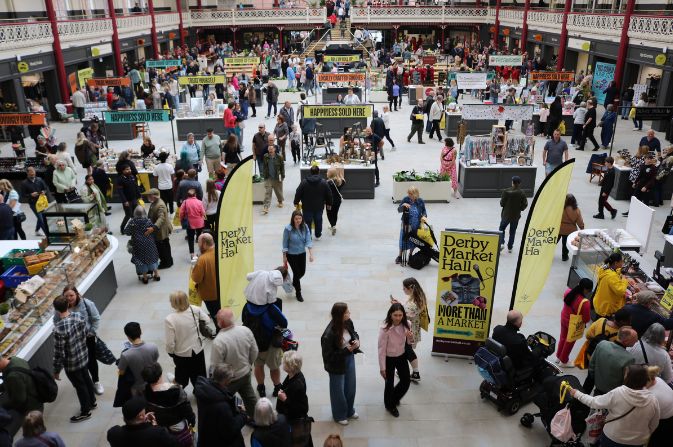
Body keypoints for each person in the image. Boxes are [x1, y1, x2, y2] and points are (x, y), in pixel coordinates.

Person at [569, 364, 660, 446]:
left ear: (629, 379)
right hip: (638, 441)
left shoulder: (618, 393)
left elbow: (594, 402)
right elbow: (654, 423)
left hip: (614, 437)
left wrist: (577, 394)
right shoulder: (653, 399)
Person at [52, 295, 96, 422]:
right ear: (68, 305)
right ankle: (92, 402)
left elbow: (59, 352)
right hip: (83, 355)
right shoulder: (79, 317)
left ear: (56, 310)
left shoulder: (58, 328)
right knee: (87, 379)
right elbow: (86, 333)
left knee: (80, 386)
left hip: (71, 363)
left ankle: (85, 411)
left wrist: (56, 370)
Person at [242, 284, 288, 398]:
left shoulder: (247, 306)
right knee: (274, 367)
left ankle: (261, 388)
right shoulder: (271, 308)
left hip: (255, 344)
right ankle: (277, 387)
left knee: (258, 366)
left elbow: (244, 320)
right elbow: (284, 323)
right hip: (271, 344)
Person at [211, 308, 259, 416]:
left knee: (224, 400)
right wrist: (248, 364)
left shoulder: (219, 341)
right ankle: (256, 418)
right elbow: (255, 351)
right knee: (250, 397)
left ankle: (230, 417)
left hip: (228, 381)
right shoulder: (246, 330)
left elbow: (216, 366)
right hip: (245, 373)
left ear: (221, 323)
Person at [320, 302, 360, 425]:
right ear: (340, 315)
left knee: (351, 386)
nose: (349, 313)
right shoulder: (328, 335)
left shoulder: (348, 322)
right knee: (338, 391)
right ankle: (339, 415)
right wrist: (346, 350)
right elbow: (329, 356)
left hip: (349, 358)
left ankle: (349, 410)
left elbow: (354, 333)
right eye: (347, 312)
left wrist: (356, 341)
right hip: (336, 364)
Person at [165, 290, 210, 390]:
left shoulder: (170, 319)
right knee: (200, 375)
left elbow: (169, 342)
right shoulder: (195, 309)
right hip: (197, 349)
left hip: (181, 353)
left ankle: (178, 392)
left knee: (181, 377)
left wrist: (171, 352)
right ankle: (199, 391)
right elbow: (207, 320)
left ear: (174, 303)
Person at [141, 362, 196, 445]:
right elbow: (186, 409)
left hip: (159, 424)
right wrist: (192, 420)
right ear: (160, 374)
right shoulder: (177, 391)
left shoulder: (145, 393)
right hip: (176, 423)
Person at [194, 363, 247, 447]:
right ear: (226, 381)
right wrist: (243, 415)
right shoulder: (222, 406)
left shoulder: (203, 390)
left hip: (205, 436)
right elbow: (230, 430)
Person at [378, 303, 413, 418]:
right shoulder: (385, 329)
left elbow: (409, 343)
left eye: (400, 315)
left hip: (401, 356)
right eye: (395, 315)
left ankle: (393, 398)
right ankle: (390, 405)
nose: (398, 318)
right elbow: (381, 349)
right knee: (389, 383)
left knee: (406, 381)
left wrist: (410, 336)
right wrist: (382, 367)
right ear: (390, 315)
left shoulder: (407, 324)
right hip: (389, 358)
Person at [391, 278, 429, 382]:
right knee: (408, 350)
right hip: (413, 329)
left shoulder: (414, 302)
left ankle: (408, 372)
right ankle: (415, 373)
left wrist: (395, 307)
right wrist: (399, 304)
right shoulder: (419, 296)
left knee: (406, 351)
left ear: (410, 288)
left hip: (408, 331)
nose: (403, 290)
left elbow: (405, 315)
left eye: (404, 288)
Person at [107, 396, 179, 446]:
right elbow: (175, 443)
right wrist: (155, 425)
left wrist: (144, 422)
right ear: (141, 416)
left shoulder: (113, 433)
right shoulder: (158, 433)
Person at [587, 327, 638, 395]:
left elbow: (591, 366)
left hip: (598, 390)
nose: (637, 341)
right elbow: (626, 382)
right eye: (635, 338)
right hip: (613, 395)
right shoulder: (629, 359)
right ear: (626, 341)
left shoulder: (602, 344)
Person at [0, 356, 42, 436]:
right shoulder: (15, 359)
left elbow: (19, 400)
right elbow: (12, 383)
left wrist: (2, 406)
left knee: (33, 433)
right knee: (38, 429)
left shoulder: (13, 376)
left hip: (30, 408)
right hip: (36, 399)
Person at [554, 278, 592, 367]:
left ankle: (558, 357)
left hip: (564, 318)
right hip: (573, 323)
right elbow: (586, 319)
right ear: (586, 289)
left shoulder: (568, 291)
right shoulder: (585, 302)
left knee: (562, 337)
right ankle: (564, 361)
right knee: (569, 341)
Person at [276, 351, 311, 445]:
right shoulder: (293, 375)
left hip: (293, 420)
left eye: (284, 363)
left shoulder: (297, 385)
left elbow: (299, 408)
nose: (282, 364)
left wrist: (284, 399)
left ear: (290, 367)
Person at [118, 322, 160, 397]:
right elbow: (155, 361)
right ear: (141, 332)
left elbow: (121, 372)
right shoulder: (153, 346)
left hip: (137, 387)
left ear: (128, 337)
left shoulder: (125, 354)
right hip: (153, 382)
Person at [282, 210, 314, 302]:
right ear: (293, 219)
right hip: (291, 255)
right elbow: (285, 243)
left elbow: (308, 240)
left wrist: (311, 254)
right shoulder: (288, 229)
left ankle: (294, 282)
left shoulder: (305, 227)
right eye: (296, 219)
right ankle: (298, 293)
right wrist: (284, 256)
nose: (298, 220)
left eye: (300, 218)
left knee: (302, 272)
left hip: (301, 253)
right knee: (296, 273)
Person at [293, 165, 332, 239]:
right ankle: (318, 235)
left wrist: (296, 202)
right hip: (319, 206)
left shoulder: (304, 182)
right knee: (318, 220)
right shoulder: (323, 182)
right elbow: (329, 194)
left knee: (307, 221)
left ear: (310, 172)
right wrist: (329, 204)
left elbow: (298, 192)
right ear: (319, 172)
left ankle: (308, 235)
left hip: (307, 206)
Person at [124, 205, 160, 283]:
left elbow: (126, 232)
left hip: (138, 245)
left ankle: (145, 278)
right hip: (149, 243)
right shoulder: (148, 221)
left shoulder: (132, 222)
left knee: (141, 260)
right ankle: (157, 275)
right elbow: (154, 230)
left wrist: (133, 232)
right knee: (152, 257)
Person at [593, 252, 630, 319]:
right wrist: (624, 279)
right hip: (606, 308)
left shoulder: (604, 268)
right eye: (621, 262)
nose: (622, 263)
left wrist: (620, 271)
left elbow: (613, 270)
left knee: (597, 322)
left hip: (600, 302)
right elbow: (620, 291)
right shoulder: (612, 276)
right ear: (616, 263)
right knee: (601, 325)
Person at [191, 233, 219, 321]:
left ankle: (220, 331)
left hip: (210, 295)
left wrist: (194, 266)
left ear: (204, 244)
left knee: (215, 316)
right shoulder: (220, 252)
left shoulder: (202, 259)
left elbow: (196, 278)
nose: (198, 245)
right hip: (223, 292)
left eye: (199, 243)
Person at [143, 188, 173, 269]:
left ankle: (166, 263)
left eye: (149, 195)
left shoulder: (160, 205)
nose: (148, 197)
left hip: (161, 230)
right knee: (165, 245)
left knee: (162, 247)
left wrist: (153, 227)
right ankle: (168, 261)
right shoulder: (155, 202)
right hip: (159, 230)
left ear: (154, 196)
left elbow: (161, 218)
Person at [397, 186, 427, 264]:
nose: (409, 195)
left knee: (413, 241)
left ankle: (410, 255)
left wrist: (424, 216)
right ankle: (400, 256)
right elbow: (398, 210)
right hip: (406, 224)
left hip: (416, 224)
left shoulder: (420, 201)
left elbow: (424, 211)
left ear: (415, 194)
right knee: (403, 240)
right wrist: (403, 205)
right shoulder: (406, 199)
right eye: (408, 193)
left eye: (411, 194)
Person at [499, 176, 528, 253]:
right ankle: (510, 247)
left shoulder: (506, 191)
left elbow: (502, 204)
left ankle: (501, 243)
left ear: (512, 182)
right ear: (519, 183)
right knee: (512, 231)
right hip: (515, 216)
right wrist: (520, 209)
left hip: (506, 215)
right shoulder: (522, 192)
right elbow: (525, 204)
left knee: (501, 229)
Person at [648, 366, 673, 446]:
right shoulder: (658, 380)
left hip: (664, 420)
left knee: (659, 440)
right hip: (669, 413)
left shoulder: (651, 395)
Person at [20, 167, 49, 235]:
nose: (33, 174)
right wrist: (31, 195)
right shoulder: (24, 183)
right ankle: (48, 235)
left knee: (41, 217)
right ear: (27, 173)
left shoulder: (39, 179)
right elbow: (23, 195)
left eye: (33, 173)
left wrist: (44, 192)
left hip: (41, 202)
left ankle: (36, 230)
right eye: (31, 173)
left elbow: (45, 188)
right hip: (33, 203)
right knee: (41, 219)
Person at [180, 189, 206, 261]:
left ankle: (192, 254)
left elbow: (181, 213)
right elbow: (203, 213)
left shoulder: (185, 202)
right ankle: (200, 252)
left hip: (190, 224)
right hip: (199, 223)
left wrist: (181, 219)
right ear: (195, 195)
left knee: (190, 239)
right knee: (200, 237)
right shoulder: (199, 202)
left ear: (187, 195)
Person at [558, 194, 584, 261]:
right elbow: (580, 221)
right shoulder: (577, 210)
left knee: (553, 242)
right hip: (570, 230)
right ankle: (564, 257)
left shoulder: (560, 208)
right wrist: (582, 227)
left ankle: (547, 254)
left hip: (559, 228)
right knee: (565, 244)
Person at [262, 140, 285, 215]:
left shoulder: (279, 157)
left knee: (278, 190)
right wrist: (264, 175)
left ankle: (280, 201)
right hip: (268, 177)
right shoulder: (265, 156)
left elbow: (282, 167)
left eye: (271, 149)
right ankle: (266, 207)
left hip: (277, 177)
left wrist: (282, 176)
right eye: (269, 149)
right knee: (267, 192)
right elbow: (264, 166)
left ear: (274, 149)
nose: (270, 150)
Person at [118, 165, 140, 234]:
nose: (129, 170)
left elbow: (136, 187)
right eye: (127, 169)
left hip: (134, 199)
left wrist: (139, 196)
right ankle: (122, 228)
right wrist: (124, 201)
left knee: (134, 214)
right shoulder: (120, 179)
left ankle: (133, 227)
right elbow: (120, 192)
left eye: (129, 169)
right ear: (123, 171)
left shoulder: (132, 177)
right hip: (127, 201)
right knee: (128, 215)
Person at [326, 167, 344, 236]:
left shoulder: (327, 183)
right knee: (335, 213)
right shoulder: (340, 181)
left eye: (327, 172)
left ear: (330, 174)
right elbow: (343, 180)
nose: (326, 173)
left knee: (329, 213)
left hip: (330, 202)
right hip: (338, 200)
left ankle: (332, 226)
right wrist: (339, 173)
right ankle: (334, 225)